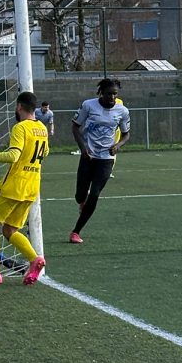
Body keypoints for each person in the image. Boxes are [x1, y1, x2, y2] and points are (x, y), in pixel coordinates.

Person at [0, 91, 48, 286]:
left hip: (14, 186)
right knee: (10, 229)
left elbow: (13, 156)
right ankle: (35, 259)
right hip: (31, 186)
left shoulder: (20, 128)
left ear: (19, 107)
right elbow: (45, 152)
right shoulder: (42, 128)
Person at [68, 79, 130, 244]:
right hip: (88, 156)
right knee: (80, 195)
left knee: (94, 194)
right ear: (101, 92)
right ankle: (83, 201)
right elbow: (75, 127)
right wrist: (83, 148)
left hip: (106, 159)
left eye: (115, 93)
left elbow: (126, 134)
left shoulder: (122, 111)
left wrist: (118, 145)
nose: (112, 96)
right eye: (109, 93)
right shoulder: (88, 105)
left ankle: (76, 231)